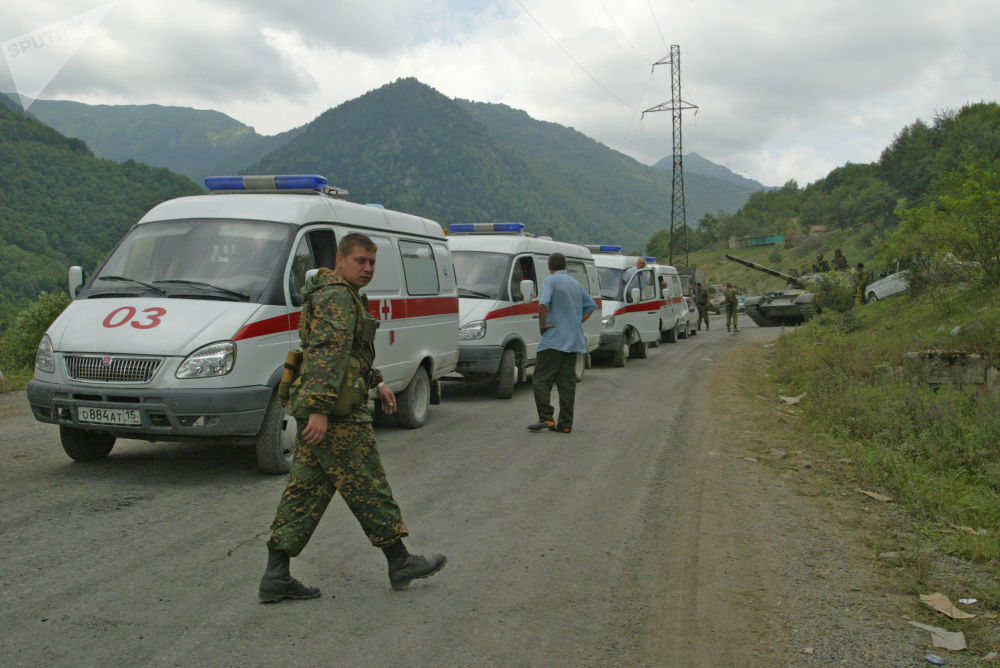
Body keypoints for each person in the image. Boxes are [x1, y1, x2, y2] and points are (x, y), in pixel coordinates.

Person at [259, 233, 445, 603]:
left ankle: (276, 574)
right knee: (367, 483)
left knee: (305, 492)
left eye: (372, 263)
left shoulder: (341, 294)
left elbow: (351, 352)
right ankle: (399, 560)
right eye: (360, 261)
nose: (367, 269)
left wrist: (377, 382)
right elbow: (326, 354)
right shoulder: (336, 296)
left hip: (335, 406)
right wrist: (320, 411)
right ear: (341, 260)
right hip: (338, 415)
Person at [528, 252, 597, 434]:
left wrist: (542, 326)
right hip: (574, 341)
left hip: (553, 340)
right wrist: (575, 323)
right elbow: (591, 306)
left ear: (550, 267)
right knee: (567, 383)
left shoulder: (550, 281)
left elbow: (543, 304)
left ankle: (546, 418)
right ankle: (565, 424)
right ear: (565, 266)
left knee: (541, 379)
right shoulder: (575, 283)